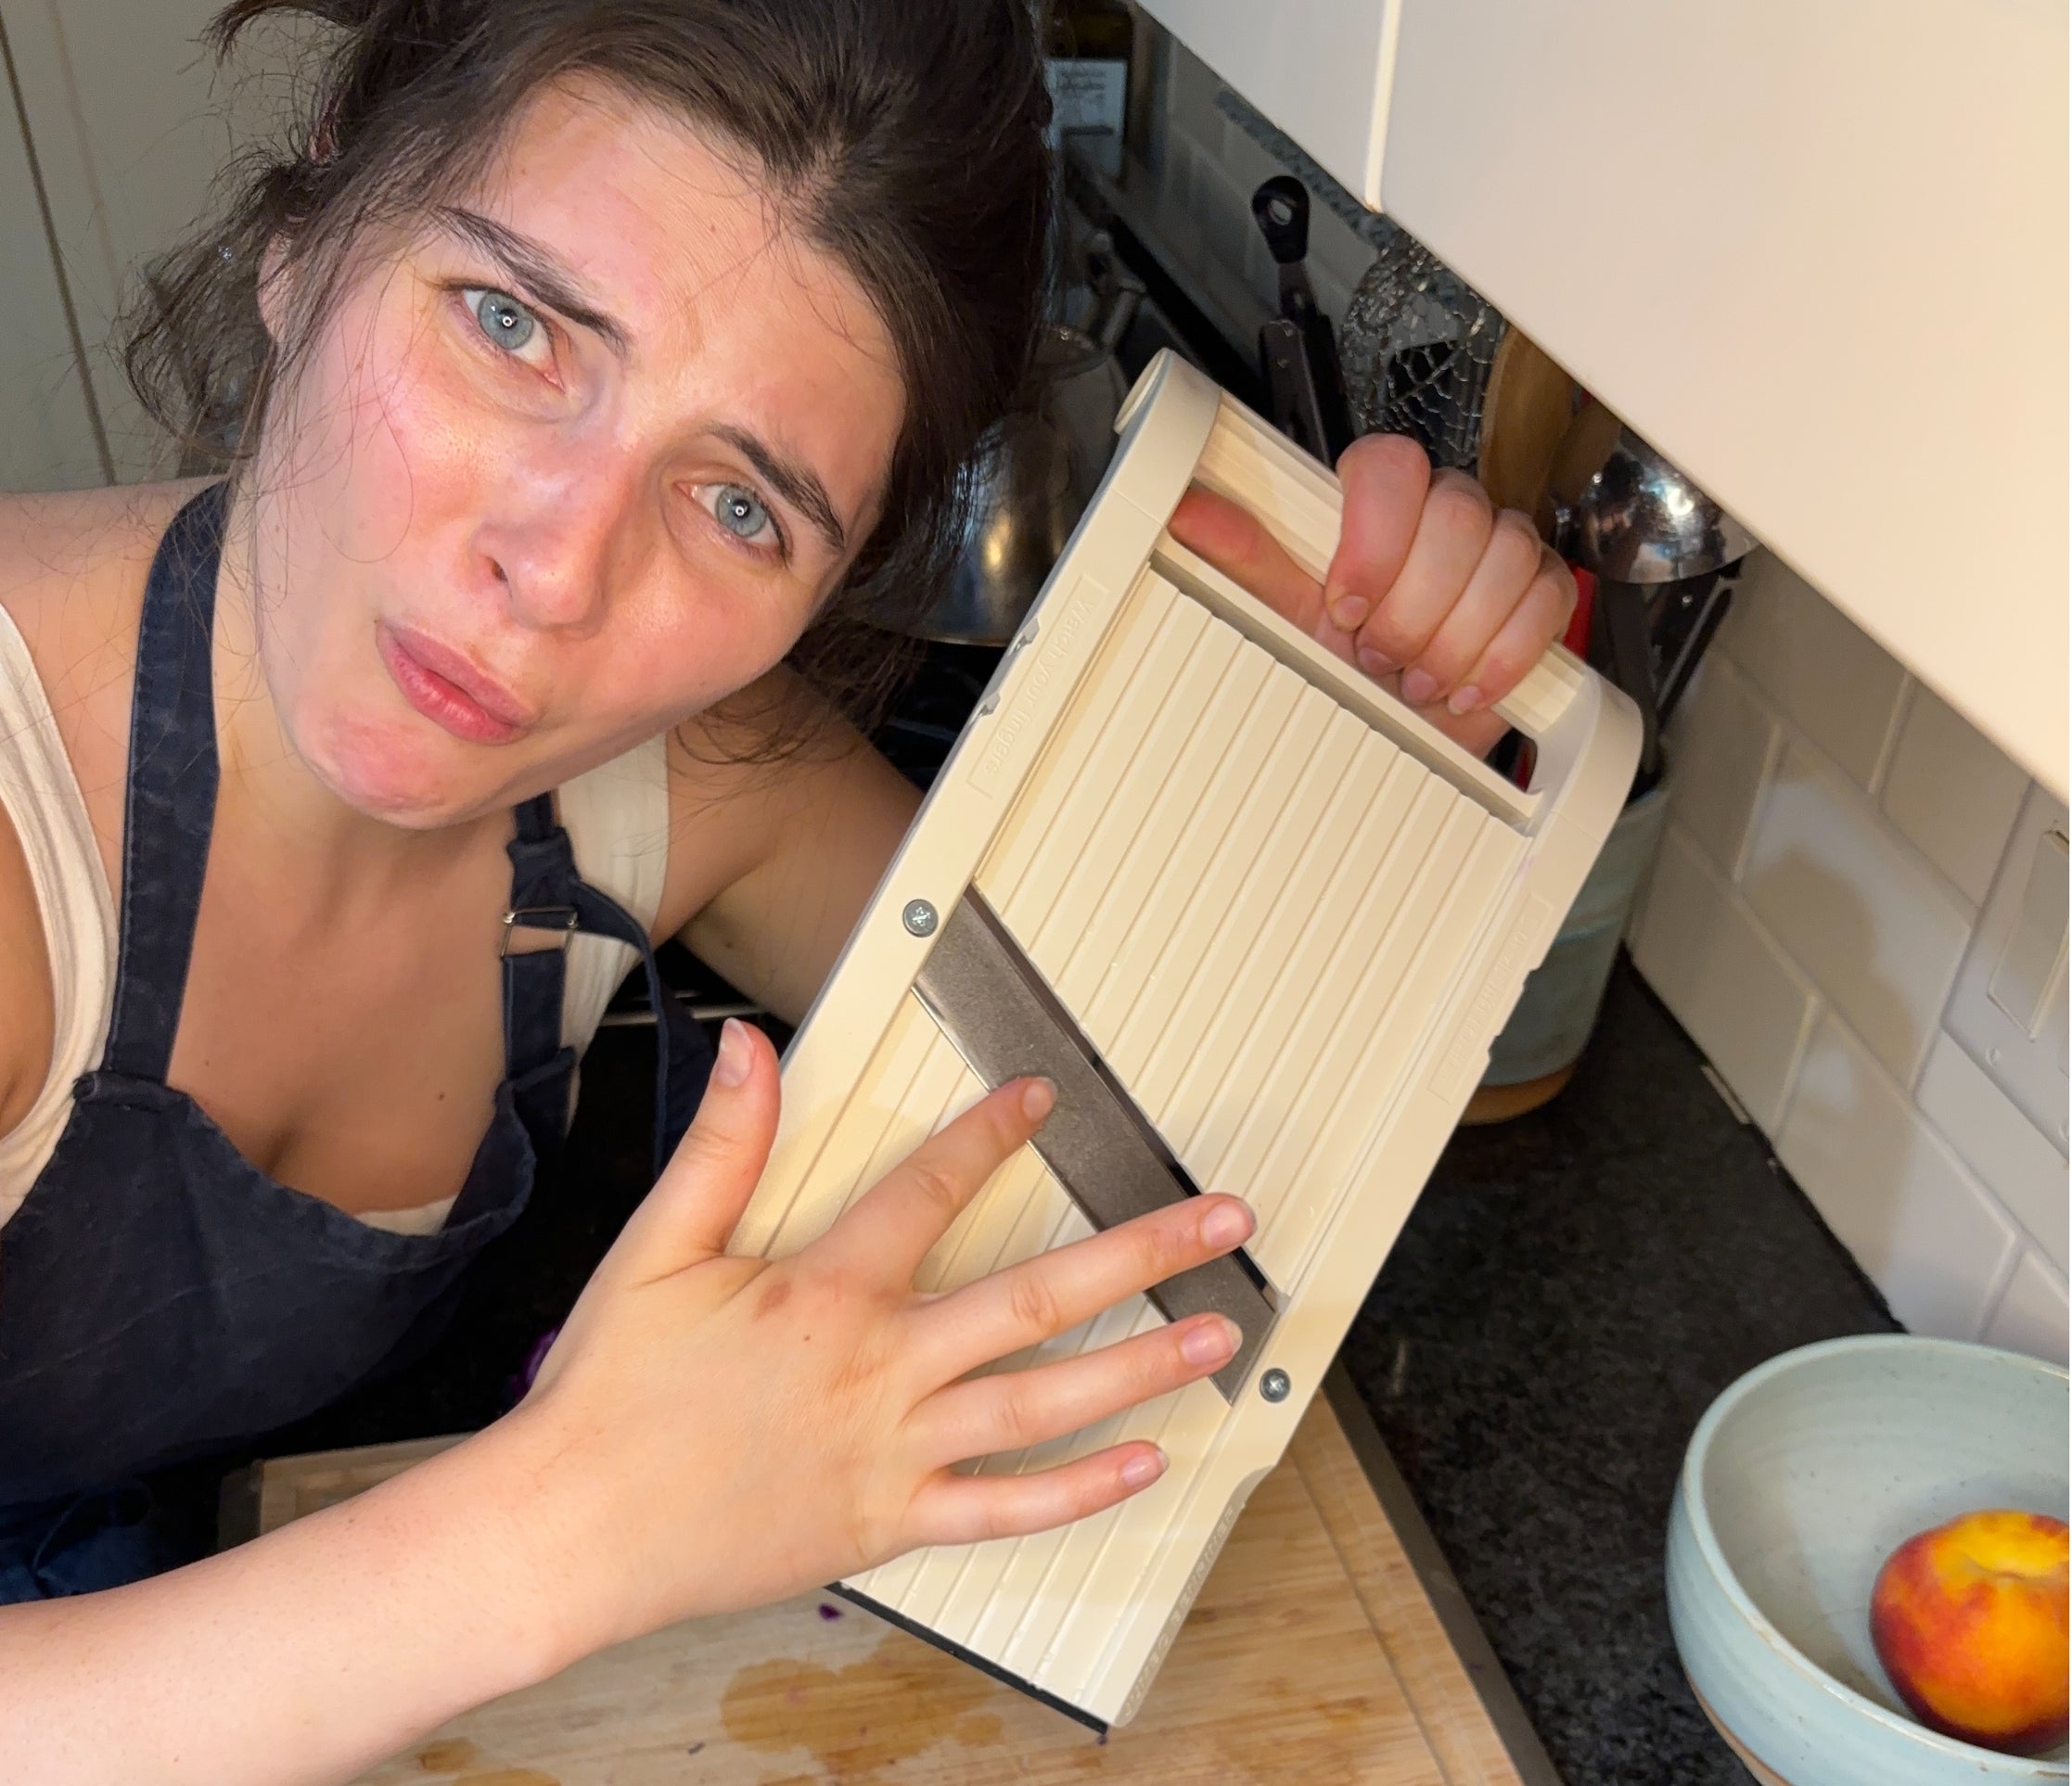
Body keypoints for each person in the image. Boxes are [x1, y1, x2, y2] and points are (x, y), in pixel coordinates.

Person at [0, 1, 1577, 1779]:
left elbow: (1150, 1135)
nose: (558, 569)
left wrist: (1335, 721)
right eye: (512, 325)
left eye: (738, 504)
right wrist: (577, 1522)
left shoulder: (672, 775)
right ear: (310, 233)